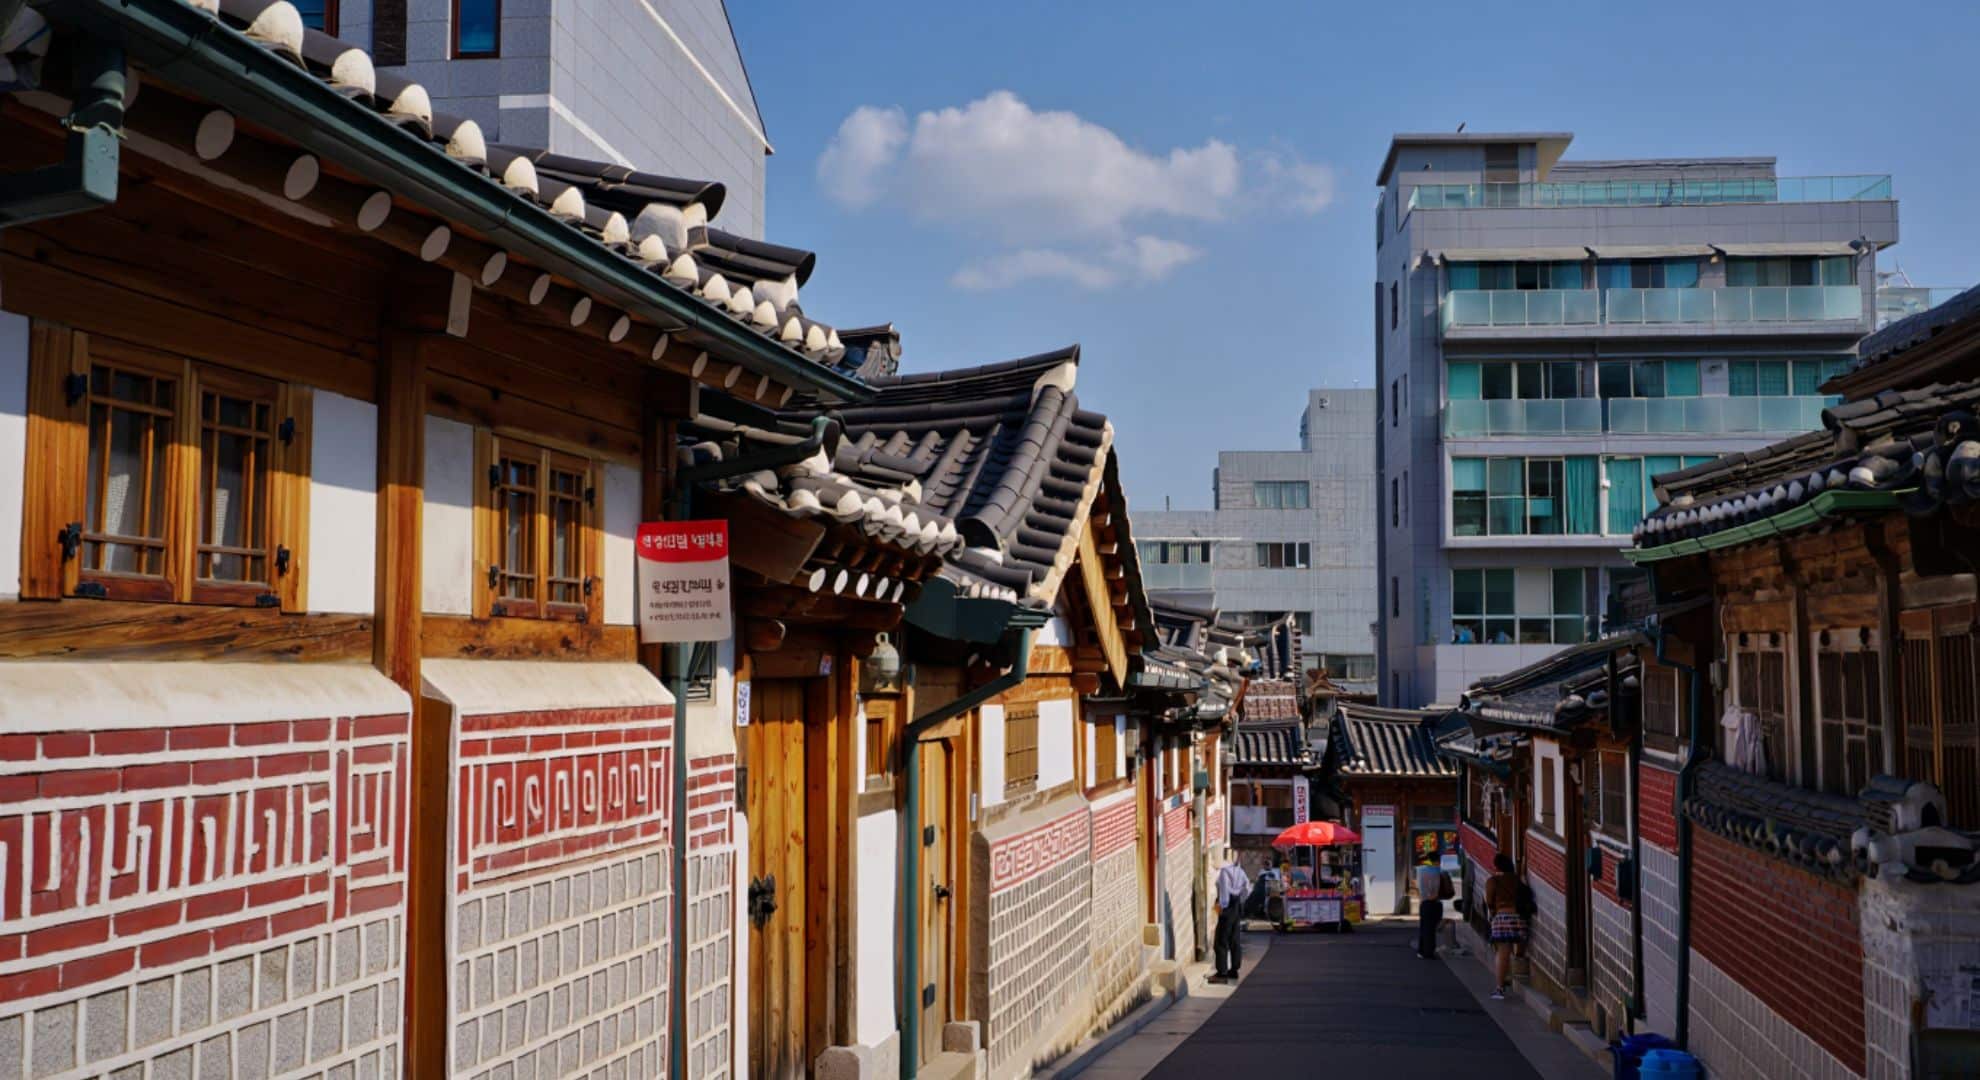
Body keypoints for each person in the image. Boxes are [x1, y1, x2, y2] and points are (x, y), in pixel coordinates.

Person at [1484, 853, 1528, 1000]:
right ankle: (1515, 974)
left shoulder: (1493, 881)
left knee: (1502, 952)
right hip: (1519, 918)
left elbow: (1489, 901)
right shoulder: (1517, 879)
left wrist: (1492, 914)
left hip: (1502, 917)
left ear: (1497, 867)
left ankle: (1500, 987)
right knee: (1517, 948)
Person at [1213, 854, 1251, 982]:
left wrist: (1222, 906)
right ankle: (1234, 969)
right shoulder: (1241, 871)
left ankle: (1222, 972)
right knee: (1235, 939)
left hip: (1227, 906)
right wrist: (1241, 901)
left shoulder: (1224, 871)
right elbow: (1247, 888)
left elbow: (1224, 890)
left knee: (1221, 940)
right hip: (1236, 906)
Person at [1415, 860, 1449, 958]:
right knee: (1430, 929)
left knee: (1424, 928)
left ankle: (1422, 951)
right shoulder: (1437, 873)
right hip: (1433, 903)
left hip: (1424, 903)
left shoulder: (1421, 872)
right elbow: (1439, 892)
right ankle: (1428, 952)